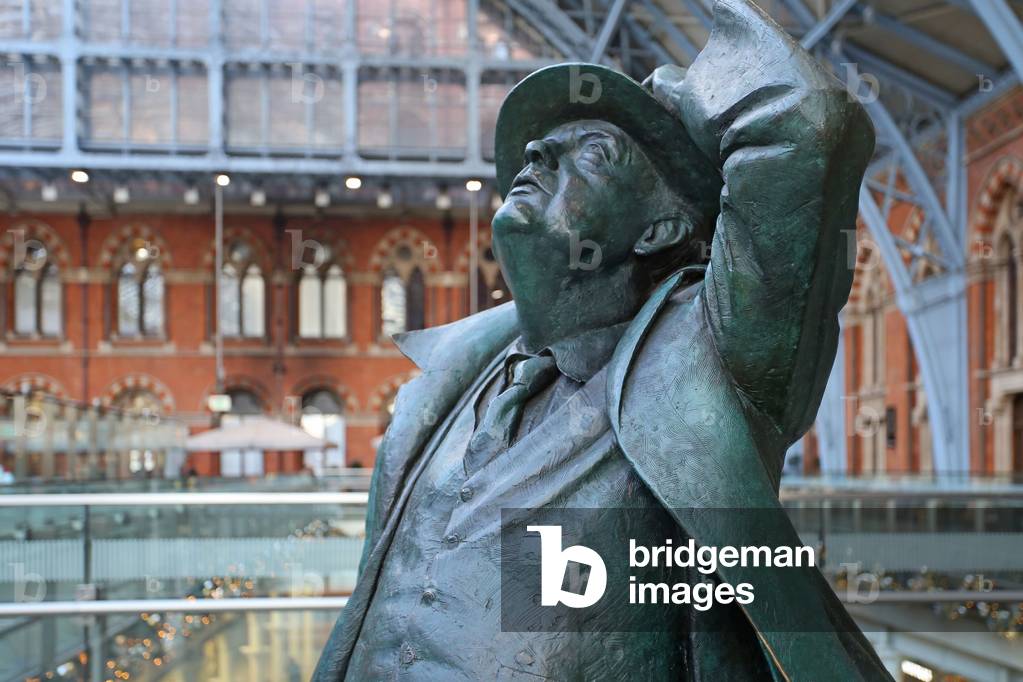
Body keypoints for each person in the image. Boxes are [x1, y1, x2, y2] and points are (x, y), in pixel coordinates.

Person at [316, 1, 890, 679]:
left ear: (659, 229)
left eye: (589, 153)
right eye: (538, 151)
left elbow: (805, 124)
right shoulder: (440, 388)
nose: (535, 155)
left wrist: (680, 101)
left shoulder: (710, 359)